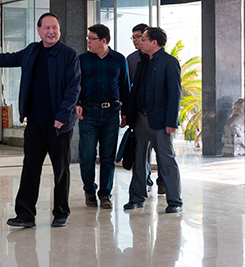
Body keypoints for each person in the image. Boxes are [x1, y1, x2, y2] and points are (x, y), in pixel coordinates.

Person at [0, 13, 80, 228]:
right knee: (30, 168)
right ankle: (25, 214)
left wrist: (62, 117)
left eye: (55, 27)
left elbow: (74, 88)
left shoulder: (69, 55)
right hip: (35, 122)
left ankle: (61, 213)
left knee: (61, 170)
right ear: (39, 30)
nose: (51, 32)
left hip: (58, 125)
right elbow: (4, 58)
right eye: (47, 28)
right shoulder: (32, 51)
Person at [124, 26, 183, 213]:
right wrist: (129, 114)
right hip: (140, 119)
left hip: (160, 122)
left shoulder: (169, 62)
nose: (140, 42)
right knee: (139, 159)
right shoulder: (142, 62)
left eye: (143, 39)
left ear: (154, 42)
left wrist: (171, 122)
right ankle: (137, 198)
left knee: (166, 161)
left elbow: (175, 94)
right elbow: (135, 91)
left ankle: (175, 201)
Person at [77, 24, 130, 210]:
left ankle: (105, 194)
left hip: (111, 114)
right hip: (88, 113)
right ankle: (89, 190)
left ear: (104, 41)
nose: (88, 42)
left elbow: (125, 87)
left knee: (108, 156)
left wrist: (125, 113)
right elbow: (74, 84)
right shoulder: (82, 59)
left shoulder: (119, 59)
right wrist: (77, 103)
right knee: (87, 155)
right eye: (88, 38)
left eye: (92, 39)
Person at [126, 24, 163, 194]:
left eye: (139, 37)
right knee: (140, 152)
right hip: (139, 113)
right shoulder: (132, 60)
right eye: (133, 37)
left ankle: (163, 182)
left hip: (158, 115)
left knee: (162, 152)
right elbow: (129, 87)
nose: (136, 40)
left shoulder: (161, 60)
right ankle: (142, 185)